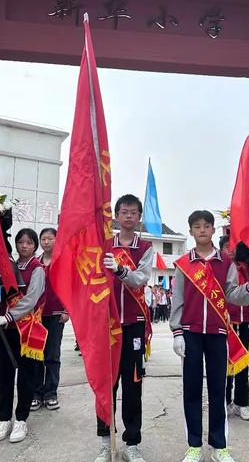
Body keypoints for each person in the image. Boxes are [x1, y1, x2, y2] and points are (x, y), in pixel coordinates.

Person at [170, 210, 249, 462]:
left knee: (218, 390)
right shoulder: (183, 264)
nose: (202, 230)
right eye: (197, 226)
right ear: (190, 231)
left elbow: (233, 295)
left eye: (206, 226)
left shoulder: (226, 263)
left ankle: (219, 446)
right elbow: (178, 300)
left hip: (218, 333)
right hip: (190, 333)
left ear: (214, 230)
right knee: (191, 390)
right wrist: (176, 332)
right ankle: (193, 446)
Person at [94, 194, 153, 462]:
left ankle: (131, 443)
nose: (128, 216)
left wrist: (119, 269)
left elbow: (140, 279)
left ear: (139, 217)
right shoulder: (104, 245)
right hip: (106, 324)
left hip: (133, 325)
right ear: (116, 215)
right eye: (124, 212)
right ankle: (106, 441)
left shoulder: (145, 247)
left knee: (132, 384)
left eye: (133, 212)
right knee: (106, 384)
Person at [0, 228, 46, 443]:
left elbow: (31, 300)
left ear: (35, 246)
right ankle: (4, 419)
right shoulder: (8, 267)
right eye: (21, 242)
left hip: (27, 330)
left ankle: (21, 419)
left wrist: (9, 316)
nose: (24, 246)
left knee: (25, 377)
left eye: (29, 242)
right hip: (6, 330)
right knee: (5, 375)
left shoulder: (37, 269)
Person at [31, 228, 69, 411]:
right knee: (36, 355)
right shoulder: (35, 263)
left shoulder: (62, 261)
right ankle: (36, 393)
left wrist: (67, 310)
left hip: (56, 315)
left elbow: (71, 288)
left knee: (52, 355)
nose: (46, 242)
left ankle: (51, 393)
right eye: (43, 239)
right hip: (36, 316)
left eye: (50, 238)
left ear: (57, 240)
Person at [224, 241, 249, 422]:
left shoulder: (248, 268)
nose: (230, 252)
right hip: (225, 323)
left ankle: (241, 404)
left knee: (243, 365)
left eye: (234, 248)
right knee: (225, 365)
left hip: (244, 322)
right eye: (226, 248)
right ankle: (224, 402)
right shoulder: (219, 268)